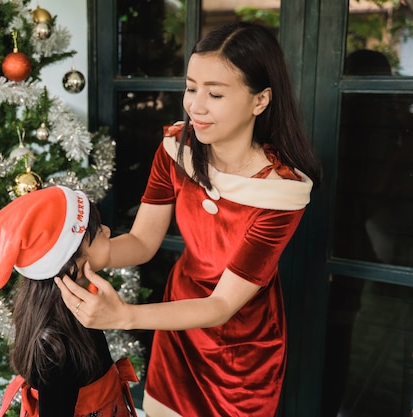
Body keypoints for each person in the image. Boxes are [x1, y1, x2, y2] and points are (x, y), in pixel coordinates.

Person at [55, 22, 321, 417]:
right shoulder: (177, 151)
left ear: (260, 100)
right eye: (191, 87)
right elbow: (144, 241)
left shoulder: (280, 192)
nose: (195, 105)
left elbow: (221, 304)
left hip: (241, 348)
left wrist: (124, 315)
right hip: (177, 328)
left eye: (215, 93)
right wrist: (88, 257)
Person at [0, 185, 139, 417]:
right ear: (73, 267)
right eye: (96, 234)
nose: (106, 229)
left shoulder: (74, 313)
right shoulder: (54, 346)